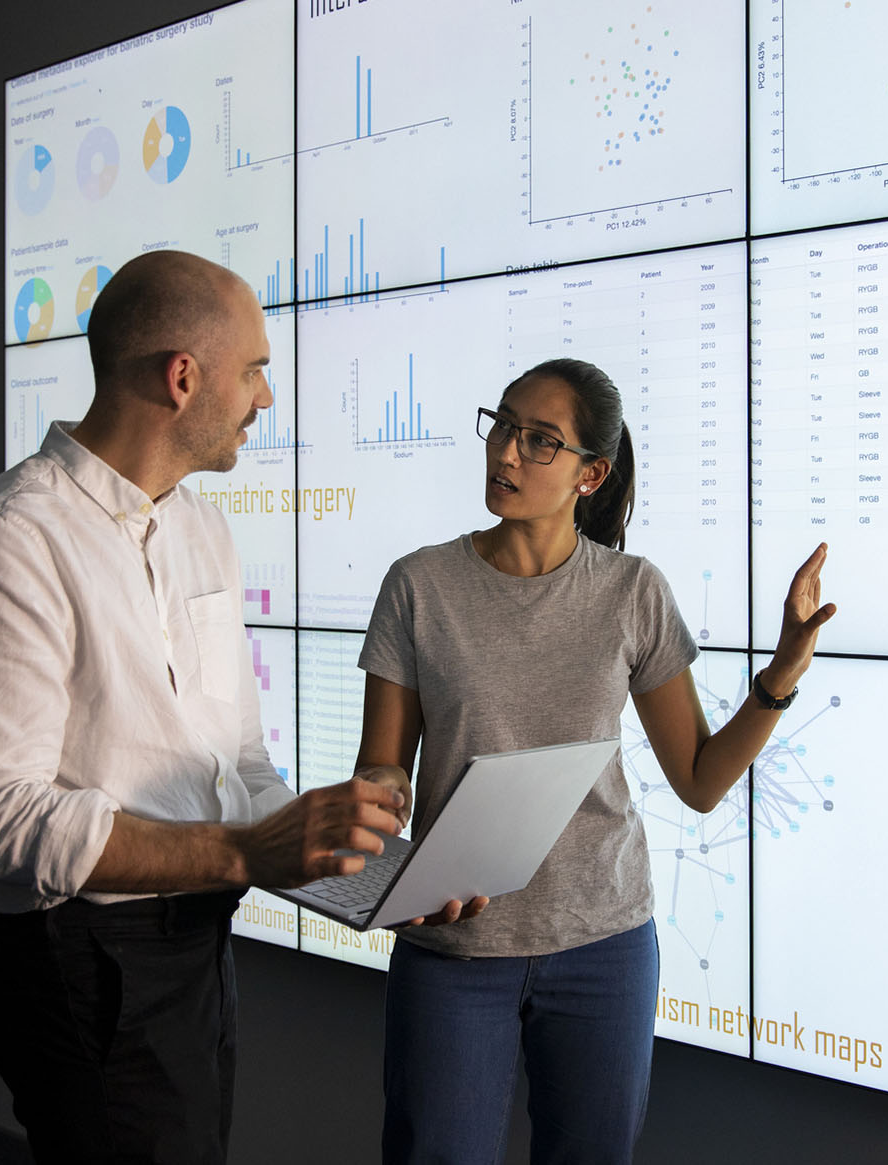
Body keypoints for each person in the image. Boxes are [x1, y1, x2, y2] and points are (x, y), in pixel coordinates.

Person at [0, 250, 407, 1164]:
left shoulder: (201, 528)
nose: (266, 397)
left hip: (197, 943)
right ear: (182, 378)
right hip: (82, 962)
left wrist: (358, 869)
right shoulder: (3, 542)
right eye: (254, 370)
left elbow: (237, 762)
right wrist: (244, 851)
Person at [353, 357, 833, 1164]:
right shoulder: (419, 585)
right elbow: (381, 768)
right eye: (503, 425)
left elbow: (700, 779)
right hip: (454, 944)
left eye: (540, 440)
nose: (507, 451)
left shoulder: (632, 591)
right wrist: (378, 802)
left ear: (591, 474)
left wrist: (783, 672)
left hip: (604, 946)